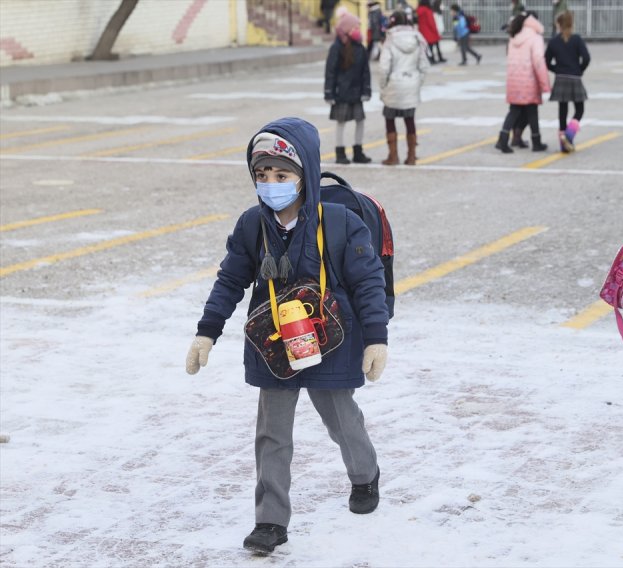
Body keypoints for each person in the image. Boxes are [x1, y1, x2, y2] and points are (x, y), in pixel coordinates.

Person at [185, 117, 389, 555]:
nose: (271, 183)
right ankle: (271, 521)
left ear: (306, 175)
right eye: (262, 175)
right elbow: (229, 282)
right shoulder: (251, 226)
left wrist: (376, 337)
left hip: (331, 337)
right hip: (273, 342)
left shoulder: (340, 222)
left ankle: (364, 473)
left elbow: (369, 280)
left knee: (341, 419)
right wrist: (207, 333)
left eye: (282, 175)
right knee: (272, 434)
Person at [378, 11, 430, 165]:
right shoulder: (417, 38)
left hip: (393, 85)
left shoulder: (389, 39)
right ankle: (411, 156)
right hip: (411, 83)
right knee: (409, 120)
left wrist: (384, 86)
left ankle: (393, 156)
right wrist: (416, 82)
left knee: (390, 119)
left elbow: (383, 68)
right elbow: (424, 66)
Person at [495, 13, 550, 153]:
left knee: (514, 111)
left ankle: (503, 139)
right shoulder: (536, 38)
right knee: (532, 112)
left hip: (514, 80)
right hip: (529, 80)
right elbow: (538, 61)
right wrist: (545, 84)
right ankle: (536, 142)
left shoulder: (513, 37)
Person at [324, 12, 372, 165]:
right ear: (347, 29)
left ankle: (358, 151)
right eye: (355, 27)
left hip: (357, 92)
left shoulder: (360, 47)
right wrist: (329, 92)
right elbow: (330, 71)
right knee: (341, 122)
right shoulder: (336, 47)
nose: (358, 29)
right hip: (342, 93)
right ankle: (340, 152)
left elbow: (366, 71)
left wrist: (366, 90)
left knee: (360, 121)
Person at [545, 10, 590, 153]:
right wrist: (579, 69)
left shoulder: (553, 41)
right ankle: (569, 135)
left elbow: (546, 61)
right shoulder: (576, 39)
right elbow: (586, 58)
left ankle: (562, 142)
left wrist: (556, 69)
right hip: (575, 77)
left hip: (560, 78)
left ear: (559, 24)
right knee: (580, 109)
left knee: (562, 110)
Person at [417, 0, 446, 64]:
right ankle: (431, 60)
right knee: (430, 47)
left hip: (422, 31)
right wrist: (435, 30)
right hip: (429, 31)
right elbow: (431, 22)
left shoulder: (418, 10)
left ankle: (430, 59)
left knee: (427, 47)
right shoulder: (428, 11)